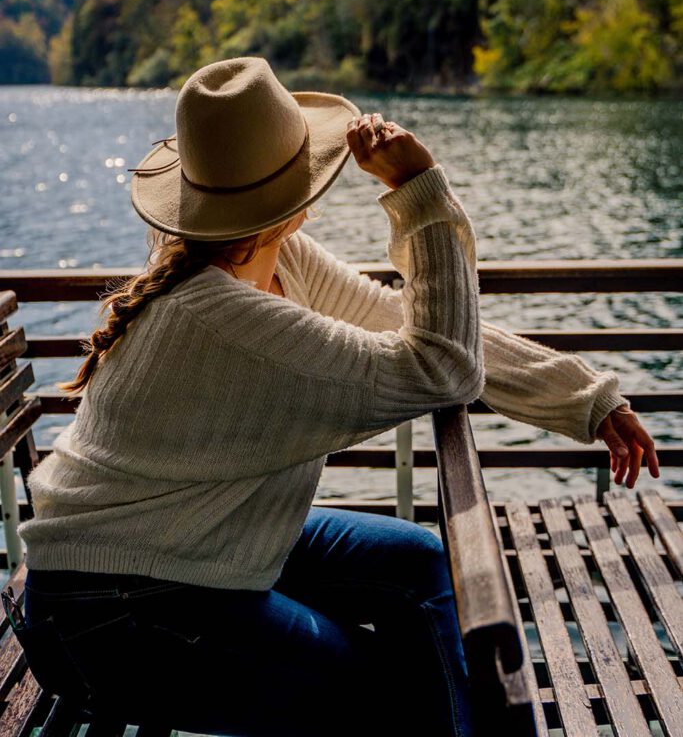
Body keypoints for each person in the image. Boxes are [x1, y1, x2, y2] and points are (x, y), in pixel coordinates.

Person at [15, 57, 658, 737]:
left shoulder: (274, 260)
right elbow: (442, 366)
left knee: (419, 564)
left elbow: (403, 323)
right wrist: (418, 192)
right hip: (112, 617)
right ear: (297, 194)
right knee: (394, 694)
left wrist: (583, 398)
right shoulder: (224, 320)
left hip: (192, 547)